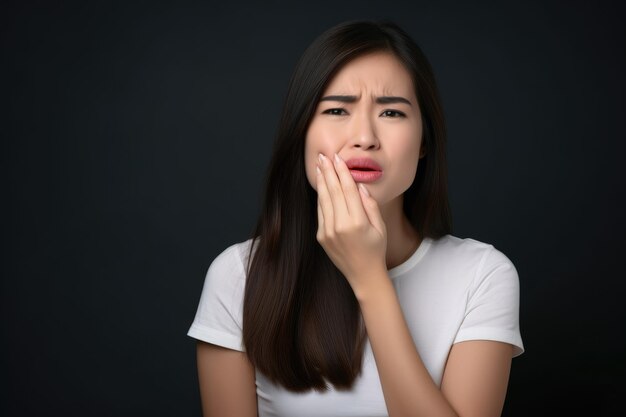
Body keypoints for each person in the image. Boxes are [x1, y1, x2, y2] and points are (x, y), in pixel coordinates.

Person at [187, 19, 524, 417]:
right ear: (301, 135)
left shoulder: (482, 276)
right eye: (336, 109)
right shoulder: (239, 276)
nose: (364, 136)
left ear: (423, 143)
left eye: (392, 113)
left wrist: (370, 279)